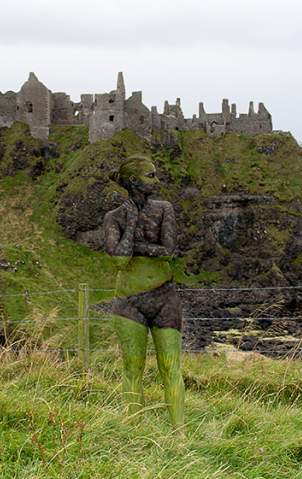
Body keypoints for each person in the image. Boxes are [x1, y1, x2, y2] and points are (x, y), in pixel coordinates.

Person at [104, 155, 185, 431]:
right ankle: (133, 432)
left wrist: (134, 244)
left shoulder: (165, 209)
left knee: (171, 367)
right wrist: (133, 220)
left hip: (165, 296)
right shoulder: (114, 217)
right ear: (132, 181)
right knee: (132, 368)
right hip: (129, 302)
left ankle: (179, 435)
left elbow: (168, 253)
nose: (157, 181)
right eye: (151, 176)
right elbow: (118, 261)